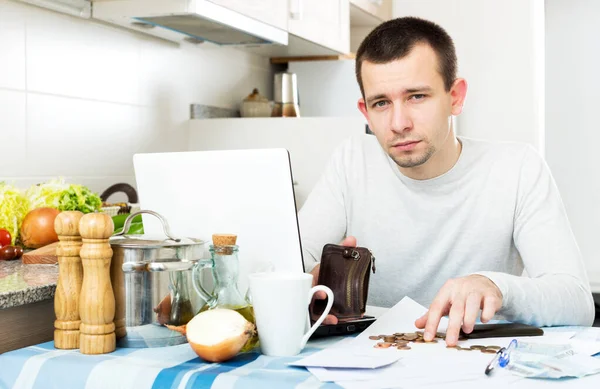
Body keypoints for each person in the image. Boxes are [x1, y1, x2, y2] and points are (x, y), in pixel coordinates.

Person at [299, 16, 595, 346]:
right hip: (375, 358)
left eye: (416, 96)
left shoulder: (517, 168)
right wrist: (301, 282)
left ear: (455, 96)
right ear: (365, 112)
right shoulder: (351, 160)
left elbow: (577, 302)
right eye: (381, 103)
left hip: (476, 361)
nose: (399, 123)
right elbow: (289, 260)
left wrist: (495, 286)